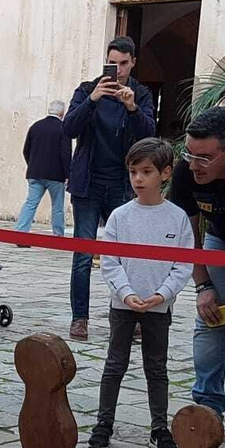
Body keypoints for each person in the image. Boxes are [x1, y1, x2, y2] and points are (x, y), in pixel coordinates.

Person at [86, 138, 194, 448]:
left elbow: (183, 264)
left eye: (146, 171)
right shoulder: (120, 216)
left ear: (165, 173)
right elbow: (110, 261)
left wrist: (162, 295)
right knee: (114, 364)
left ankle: (159, 427)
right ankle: (104, 422)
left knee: (156, 367)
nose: (138, 178)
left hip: (158, 308)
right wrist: (126, 293)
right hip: (123, 305)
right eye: (133, 171)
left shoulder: (177, 218)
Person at [62, 35, 156, 340]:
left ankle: (130, 317)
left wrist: (132, 108)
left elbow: (149, 138)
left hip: (121, 185)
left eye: (123, 64)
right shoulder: (87, 90)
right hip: (88, 185)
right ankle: (80, 319)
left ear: (133, 63)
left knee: (126, 256)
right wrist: (92, 101)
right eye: (112, 63)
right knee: (83, 256)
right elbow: (68, 128)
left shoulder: (141, 94)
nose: (118, 69)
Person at [169, 106, 225, 416]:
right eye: (189, 154)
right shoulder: (186, 171)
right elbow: (186, 235)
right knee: (211, 316)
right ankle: (207, 407)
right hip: (220, 241)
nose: (194, 165)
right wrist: (203, 285)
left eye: (204, 157)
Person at [15, 100, 72, 236]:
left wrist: (32, 165)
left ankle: (21, 232)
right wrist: (68, 174)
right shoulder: (64, 128)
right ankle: (58, 235)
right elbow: (66, 153)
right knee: (57, 206)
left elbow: (26, 150)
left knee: (30, 203)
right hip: (56, 175)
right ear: (62, 113)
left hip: (35, 173)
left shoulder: (35, 126)